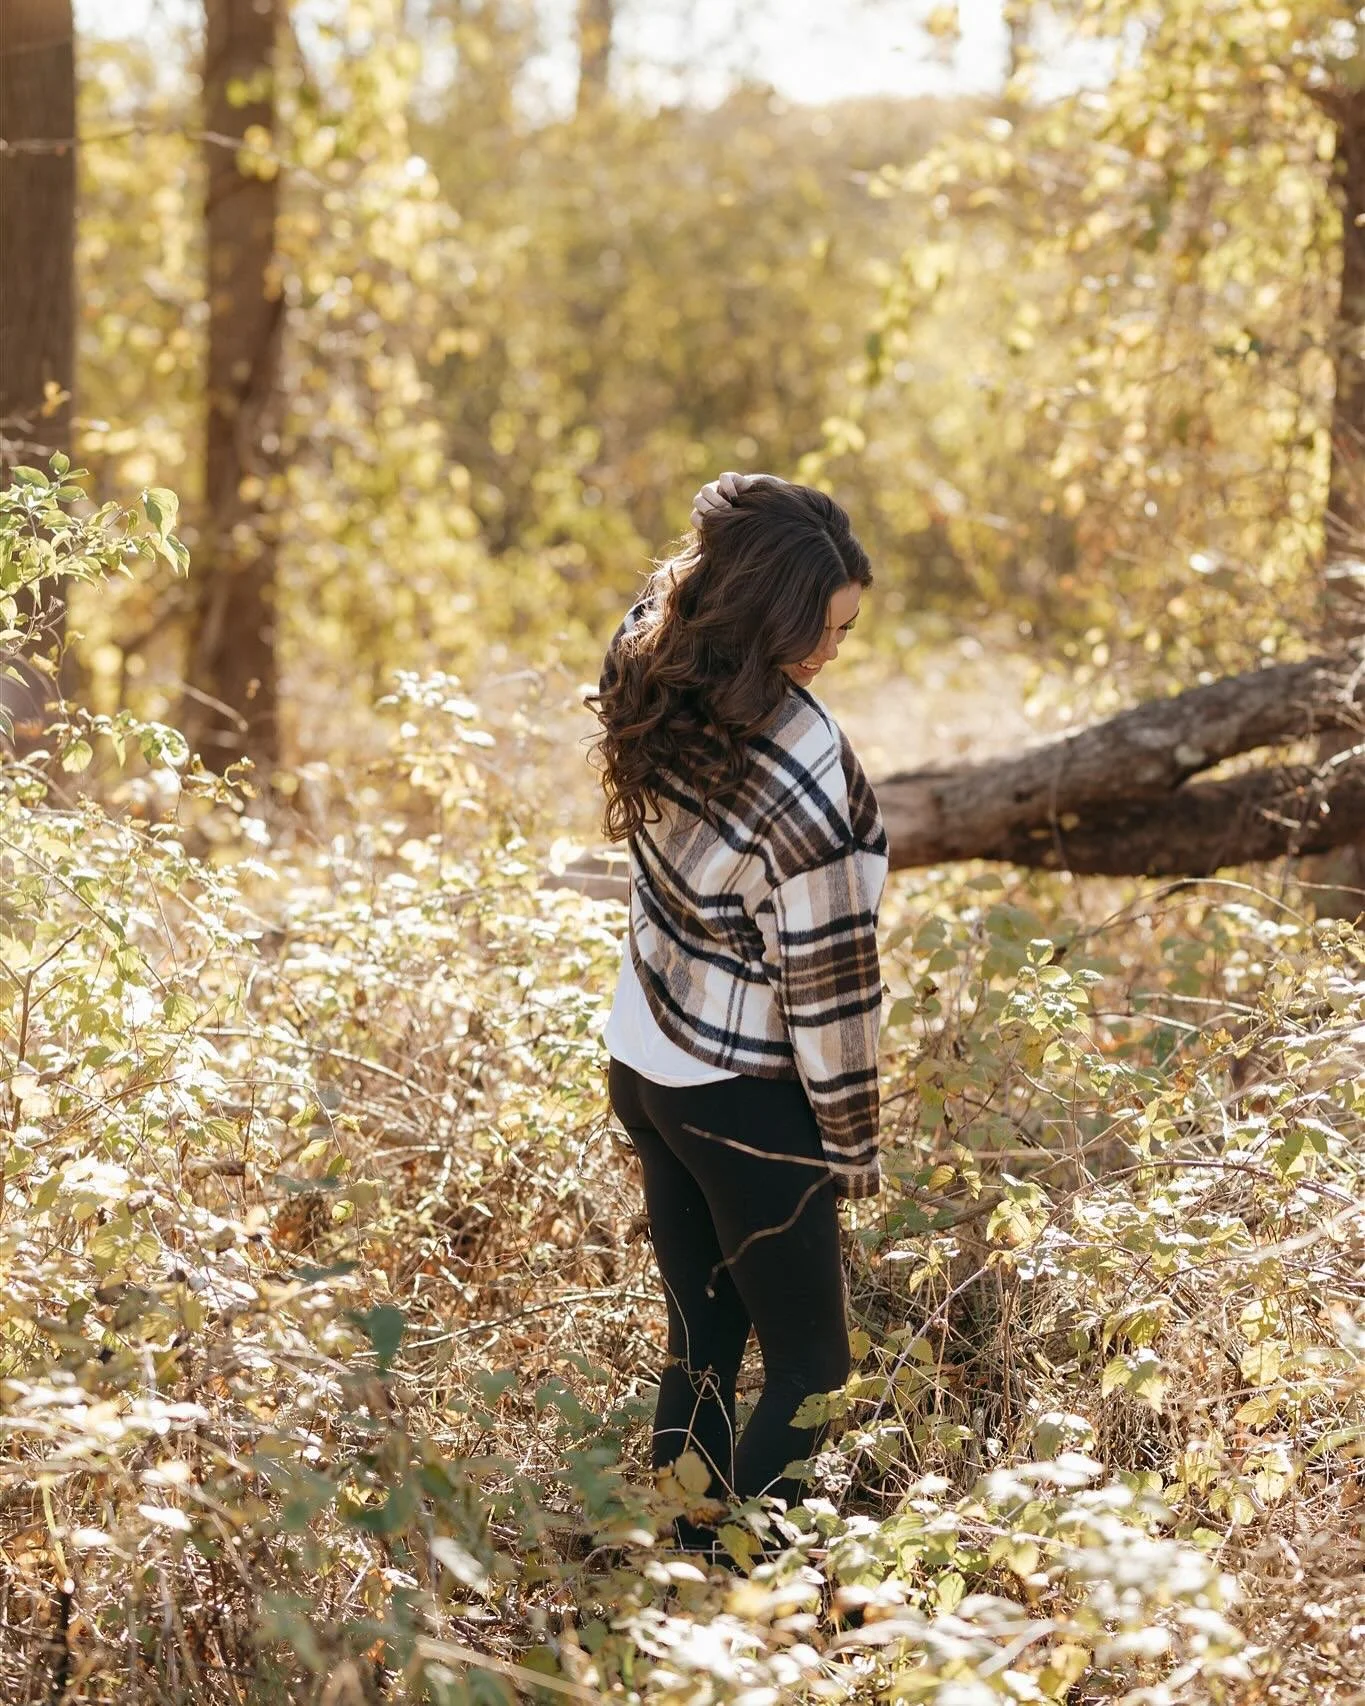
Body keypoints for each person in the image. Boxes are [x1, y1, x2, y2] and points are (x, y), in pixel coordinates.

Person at [587, 471, 889, 1558]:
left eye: (845, 630)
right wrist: (851, 1147)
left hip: (643, 1055)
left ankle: (674, 1574)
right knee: (812, 1368)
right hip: (739, 1092)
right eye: (824, 629)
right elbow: (830, 987)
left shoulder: (649, 652)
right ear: (768, 612)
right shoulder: (806, 770)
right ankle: (731, 1588)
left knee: (704, 1346)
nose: (832, 653)